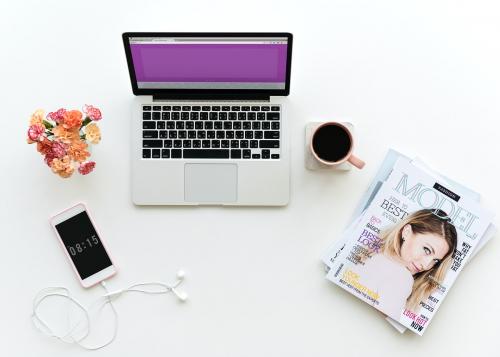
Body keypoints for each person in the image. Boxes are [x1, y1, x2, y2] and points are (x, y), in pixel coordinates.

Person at [351, 209, 457, 318]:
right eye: (427, 250)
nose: (426, 266)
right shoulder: (402, 277)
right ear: (406, 232)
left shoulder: (368, 255)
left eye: (435, 261)